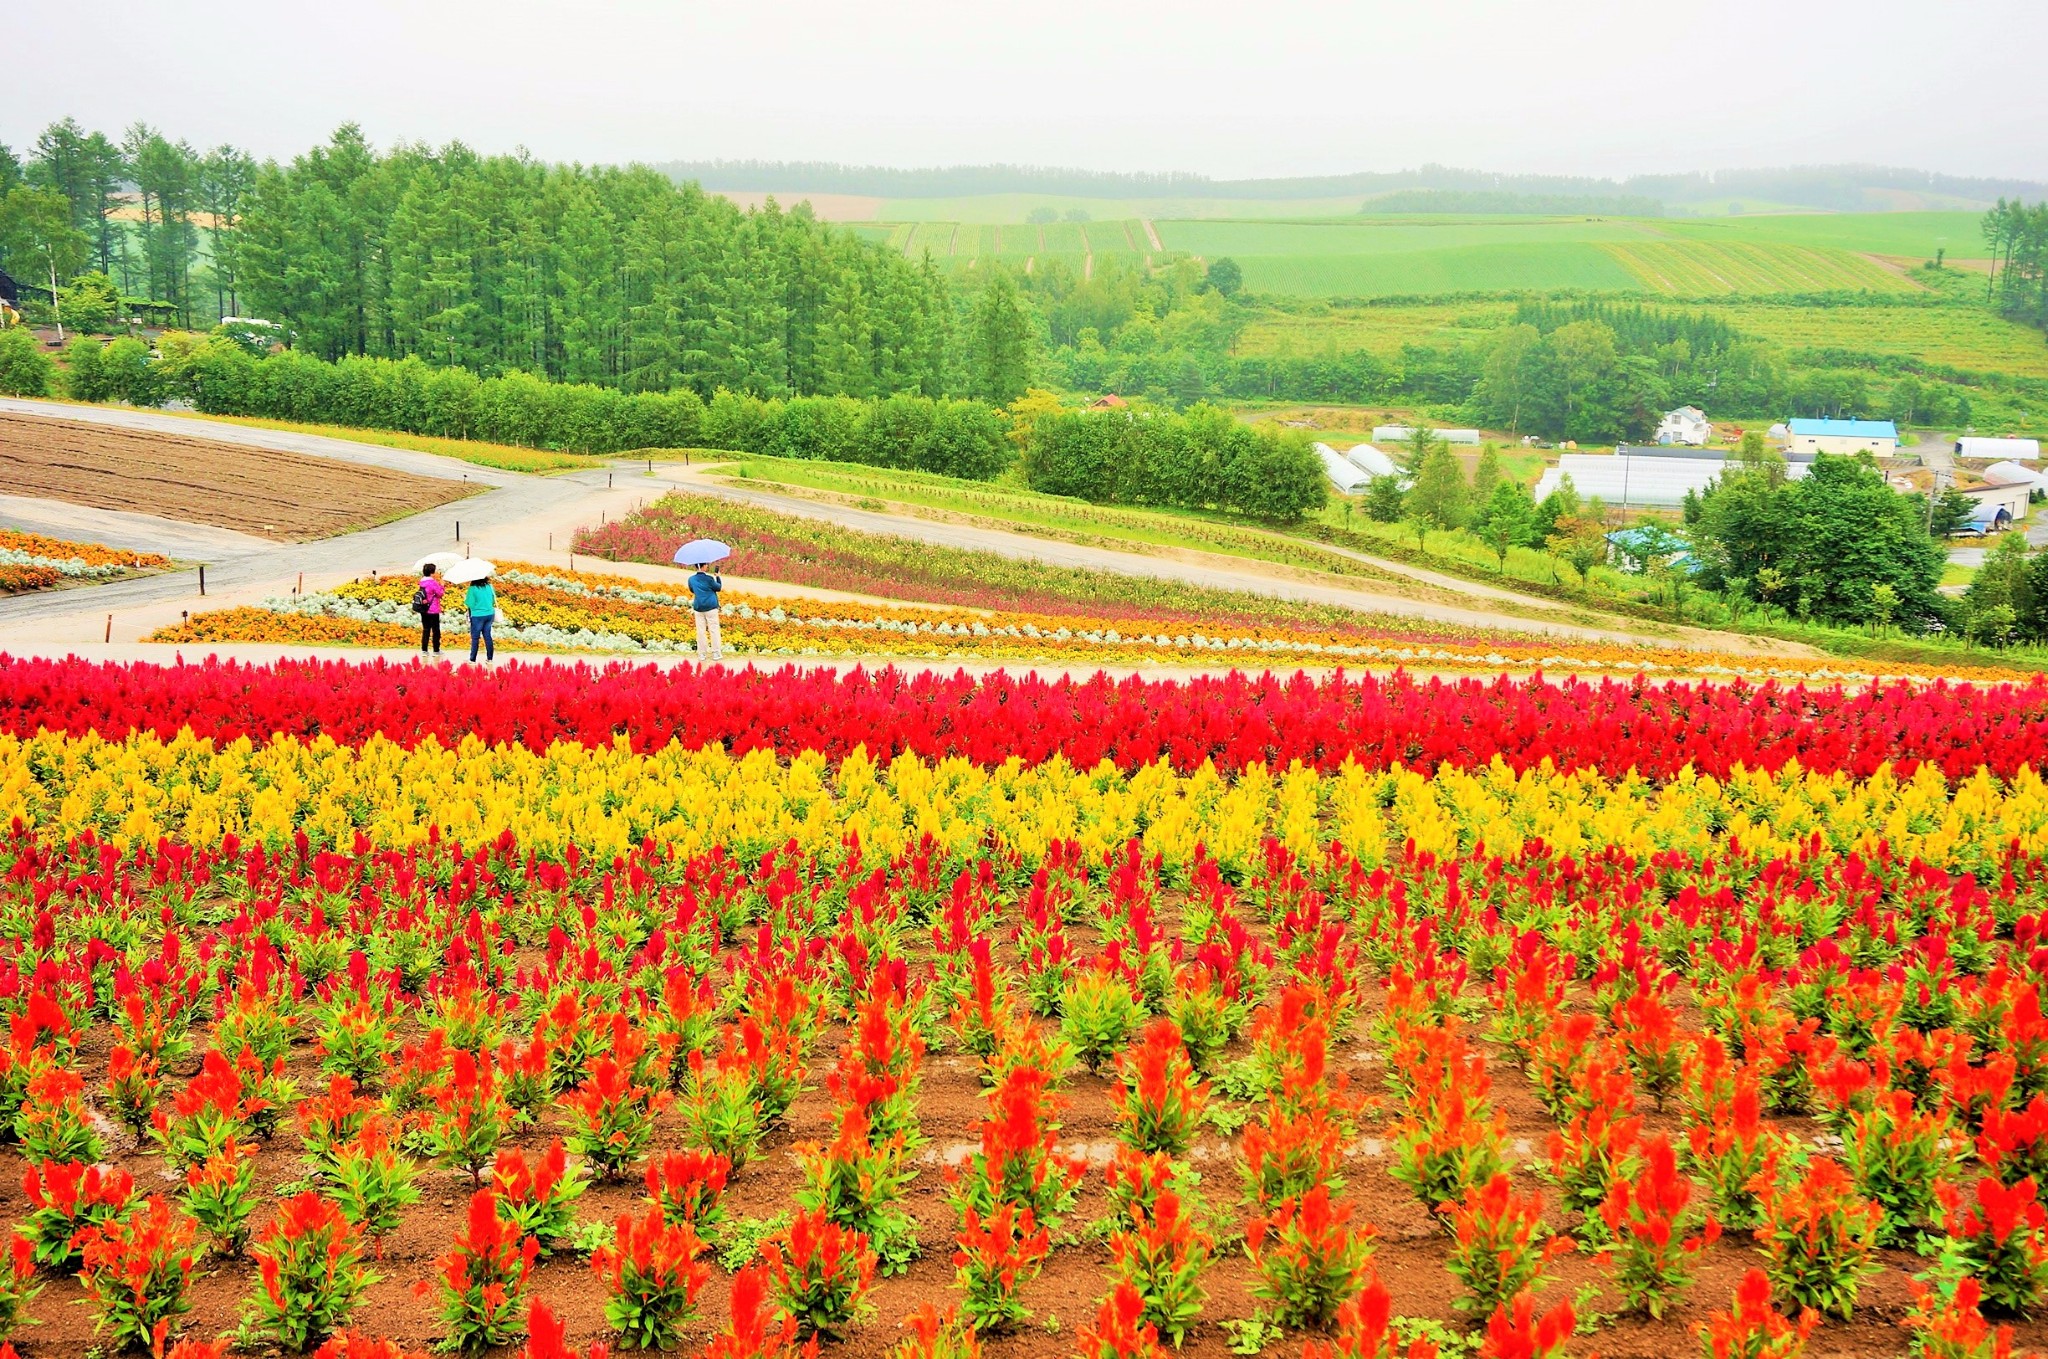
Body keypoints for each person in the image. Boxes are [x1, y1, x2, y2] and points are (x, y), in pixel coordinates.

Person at [688, 562, 722, 663]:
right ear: (703, 566)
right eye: (706, 564)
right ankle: (716, 652)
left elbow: (692, 590)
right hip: (711, 607)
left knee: (700, 631)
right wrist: (718, 577)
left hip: (699, 607)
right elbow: (718, 587)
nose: (707, 566)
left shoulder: (691, 579)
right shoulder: (709, 579)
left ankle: (702, 654)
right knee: (714, 629)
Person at [465, 572, 497, 663]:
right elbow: (493, 599)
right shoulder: (489, 586)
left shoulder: (473, 588)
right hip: (489, 614)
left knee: (475, 638)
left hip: (477, 615)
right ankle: (490, 658)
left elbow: (469, 603)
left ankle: (472, 659)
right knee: (487, 636)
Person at [415, 563, 444, 655]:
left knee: (426, 629)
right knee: (436, 630)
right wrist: (442, 585)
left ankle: (424, 650)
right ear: (432, 573)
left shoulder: (422, 582)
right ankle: (436, 650)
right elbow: (440, 594)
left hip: (424, 609)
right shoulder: (432, 583)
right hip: (433, 609)